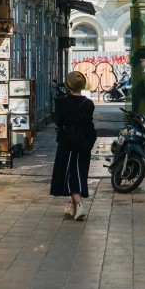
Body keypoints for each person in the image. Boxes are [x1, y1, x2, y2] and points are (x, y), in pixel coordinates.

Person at [50, 71, 96, 221]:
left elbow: (58, 121)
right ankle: (72, 205)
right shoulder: (89, 103)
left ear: (68, 86)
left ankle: (79, 204)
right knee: (79, 171)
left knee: (69, 172)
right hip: (84, 142)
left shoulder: (63, 102)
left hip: (67, 141)